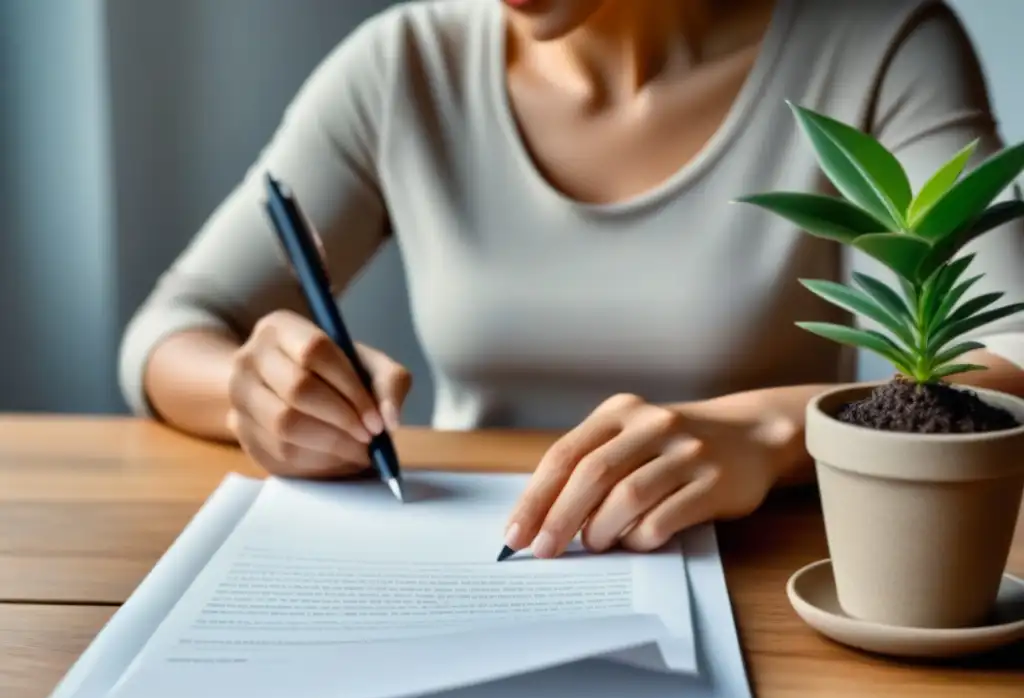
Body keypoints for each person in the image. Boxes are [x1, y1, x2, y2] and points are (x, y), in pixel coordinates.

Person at [121, 0, 1024, 560]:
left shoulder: (880, 40)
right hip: (478, 568)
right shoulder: (401, 66)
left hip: (778, 584)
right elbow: (172, 328)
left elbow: (1014, 351)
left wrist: (770, 431)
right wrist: (251, 391)